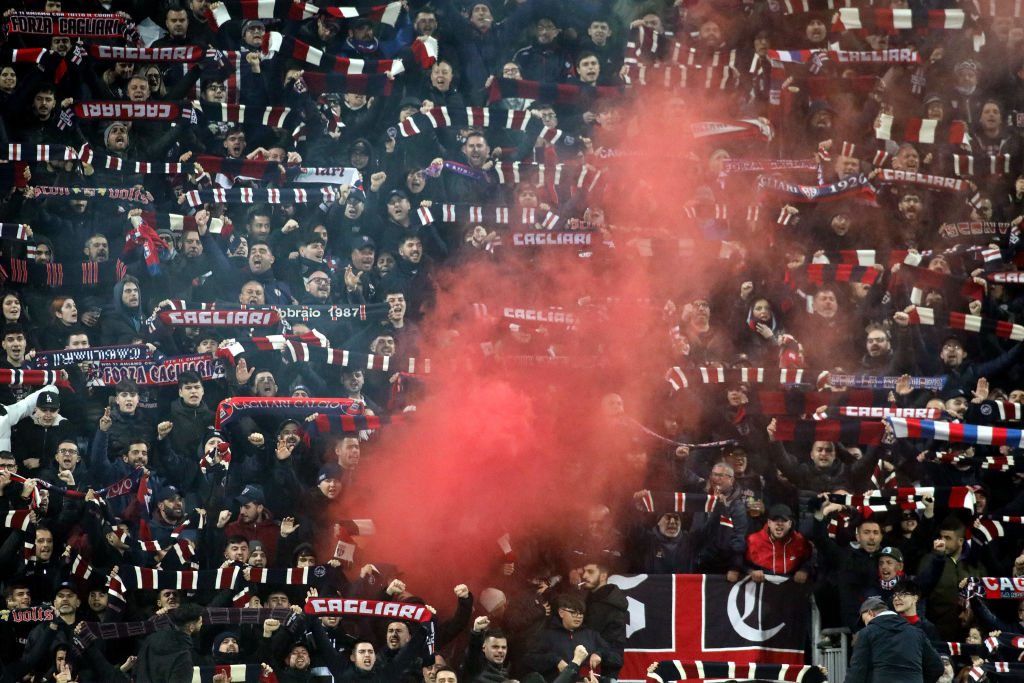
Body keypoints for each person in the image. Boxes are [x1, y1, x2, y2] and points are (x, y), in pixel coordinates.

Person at [845, 596, 944, 683]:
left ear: (871, 613)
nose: (866, 625)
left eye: (864, 620)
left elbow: (857, 672)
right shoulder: (917, 633)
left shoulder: (867, 633)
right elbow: (937, 667)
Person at [134, 602, 205, 683]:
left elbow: (136, 671)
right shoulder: (182, 656)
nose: (202, 625)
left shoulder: (150, 640)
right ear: (191, 628)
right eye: (200, 623)